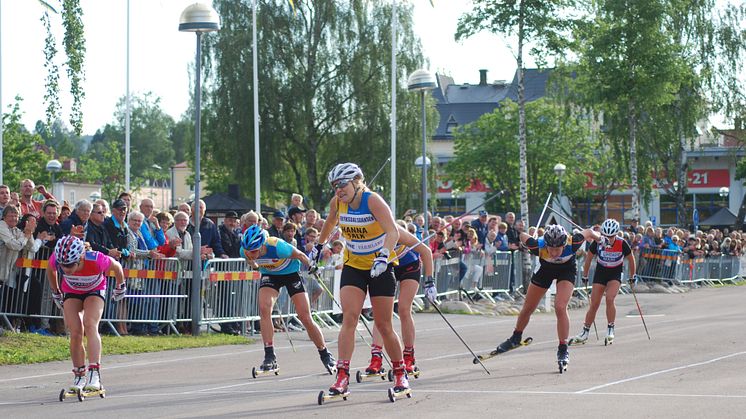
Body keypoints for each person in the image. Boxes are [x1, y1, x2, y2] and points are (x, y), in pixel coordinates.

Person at [314, 162, 408, 398]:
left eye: (342, 184)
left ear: (357, 181)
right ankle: (342, 375)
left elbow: (393, 231)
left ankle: (400, 372)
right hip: (354, 265)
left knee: (384, 325)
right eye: (335, 186)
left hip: (380, 267)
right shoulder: (338, 202)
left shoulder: (372, 200)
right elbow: (330, 221)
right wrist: (319, 245)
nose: (338, 190)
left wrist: (384, 256)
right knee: (349, 318)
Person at [493, 223, 599, 368]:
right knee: (528, 307)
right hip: (545, 270)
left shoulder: (573, 242)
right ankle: (516, 337)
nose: (554, 253)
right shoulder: (538, 246)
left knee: (560, 307)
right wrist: (522, 242)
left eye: (558, 249)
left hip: (566, 271)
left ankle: (563, 348)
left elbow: (589, 231)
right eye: (551, 249)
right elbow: (523, 235)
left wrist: (600, 239)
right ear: (546, 245)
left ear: (564, 244)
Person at [240, 224, 336, 373]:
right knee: (264, 309)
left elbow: (300, 255)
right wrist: (254, 264)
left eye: (253, 251)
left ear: (261, 245)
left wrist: (311, 266)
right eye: (248, 251)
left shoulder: (278, 247)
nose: (250, 254)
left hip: (291, 274)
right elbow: (250, 261)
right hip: (270, 276)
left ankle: (325, 353)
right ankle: (269, 356)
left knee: (305, 316)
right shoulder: (245, 251)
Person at [46, 235, 126, 392]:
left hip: (94, 290)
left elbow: (117, 267)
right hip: (71, 291)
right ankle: (79, 374)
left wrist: (120, 286)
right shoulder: (57, 257)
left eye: (69, 265)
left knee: (90, 324)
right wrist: (56, 291)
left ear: (80, 257)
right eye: (63, 265)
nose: (66, 269)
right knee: (75, 332)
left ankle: (94, 373)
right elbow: (51, 269)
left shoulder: (96, 259)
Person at [365, 225, 434, 377]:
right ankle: (376, 356)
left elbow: (426, 252)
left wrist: (429, 281)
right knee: (381, 314)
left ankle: (408, 356)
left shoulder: (400, 233)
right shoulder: (376, 233)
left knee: (403, 309)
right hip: (389, 267)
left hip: (410, 267)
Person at [570, 219, 636, 346]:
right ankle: (585, 332)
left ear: (616, 234)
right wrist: (585, 275)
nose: (609, 239)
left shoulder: (622, 243)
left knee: (610, 299)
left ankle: (610, 328)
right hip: (601, 273)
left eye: (611, 236)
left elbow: (631, 259)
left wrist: (633, 276)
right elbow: (588, 258)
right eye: (606, 236)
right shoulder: (598, 242)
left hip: (615, 273)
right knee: (594, 304)